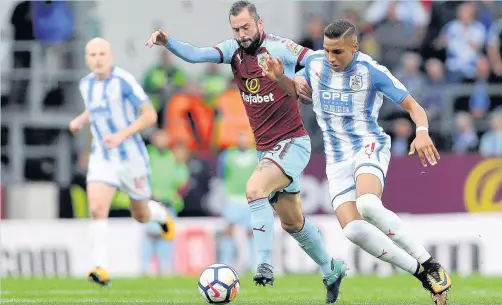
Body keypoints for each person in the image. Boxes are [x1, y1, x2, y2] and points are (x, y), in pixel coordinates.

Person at [146, 1, 346, 302]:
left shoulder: (279, 48)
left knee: (254, 189)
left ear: (259, 23)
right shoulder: (232, 52)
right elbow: (196, 55)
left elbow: (316, 58)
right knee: (293, 223)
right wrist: (168, 42)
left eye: (246, 27)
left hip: (293, 142)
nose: (241, 34)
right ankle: (331, 269)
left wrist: (304, 77)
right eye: (236, 29)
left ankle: (263, 263)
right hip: (266, 150)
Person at [261, 19, 452, 305]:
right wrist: (280, 79)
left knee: (367, 205)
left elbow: (414, 106)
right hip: (336, 159)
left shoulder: (371, 71)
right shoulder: (314, 65)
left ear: (354, 47)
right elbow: (301, 94)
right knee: (352, 230)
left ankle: (432, 264)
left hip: (368, 145)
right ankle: (423, 276)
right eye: (326, 50)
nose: (330, 58)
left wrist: (422, 132)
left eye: (337, 52)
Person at [69, 37, 176, 286]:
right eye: (92, 55)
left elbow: (149, 115)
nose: (97, 59)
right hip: (102, 156)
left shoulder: (124, 81)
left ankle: (160, 216)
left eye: (102, 54)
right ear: (87, 59)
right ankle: (100, 267)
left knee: (140, 214)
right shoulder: (86, 85)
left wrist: (121, 134)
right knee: (96, 208)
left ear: (111, 56)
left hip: (131, 157)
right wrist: (80, 120)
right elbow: (95, 109)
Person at [217, 133, 257, 271]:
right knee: (229, 232)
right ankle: (224, 265)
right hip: (232, 199)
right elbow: (221, 177)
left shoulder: (257, 155)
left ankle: (255, 267)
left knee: (253, 233)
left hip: (252, 199)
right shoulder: (227, 155)